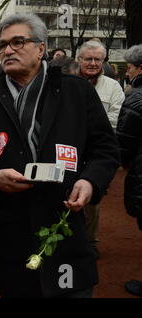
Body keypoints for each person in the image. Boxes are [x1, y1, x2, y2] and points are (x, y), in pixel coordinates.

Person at [0, 13, 120, 298]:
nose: (8, 50)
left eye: (18, 42)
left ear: (41, 47)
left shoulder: (77, 92)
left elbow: (106, 148)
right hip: (12, 236)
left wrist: (90, 182)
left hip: (66, 228)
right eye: (2, 46)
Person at [77, 40, 125, 257]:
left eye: (98, 59)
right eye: (88, 58)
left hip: (96, 152)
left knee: (92, 197)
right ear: (79, 59)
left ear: (104, 61)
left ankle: (89, 241)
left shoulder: (114, 87)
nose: (93, 63)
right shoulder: (66, 82)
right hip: (69, 149)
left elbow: (116, 120)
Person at [116, 44, 142, 297]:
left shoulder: (136, 97)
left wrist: (123, 163)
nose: (129, 72)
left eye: (130, 67)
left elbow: (125, 140)